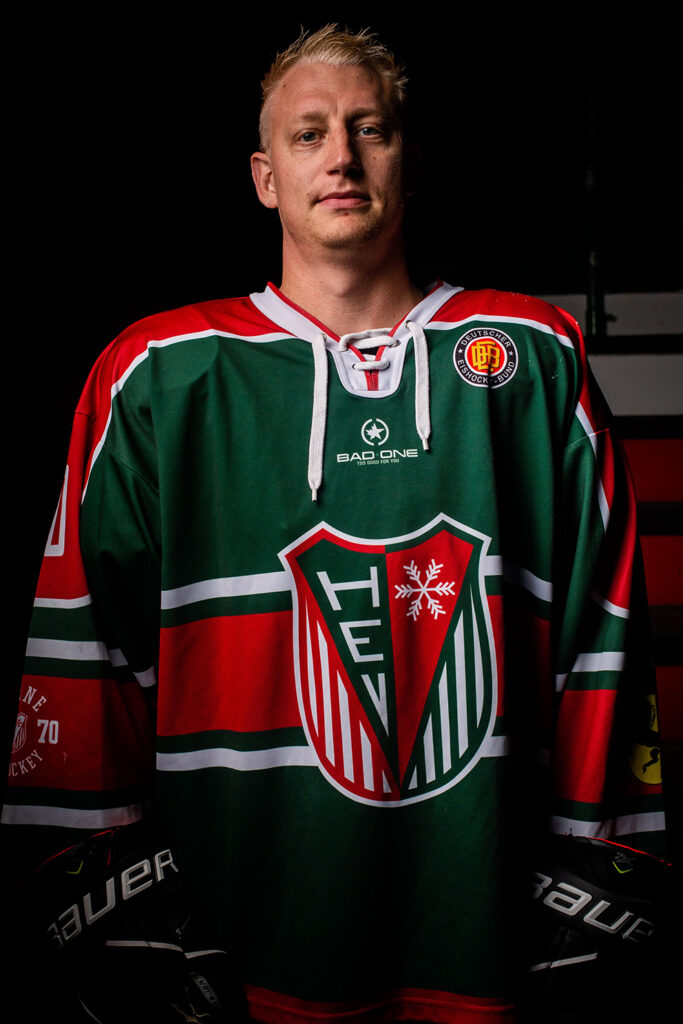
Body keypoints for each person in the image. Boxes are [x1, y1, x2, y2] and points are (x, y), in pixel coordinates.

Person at [3, 24, 668, 1024]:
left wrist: (598, 860)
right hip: (237, 948)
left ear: (408, 159)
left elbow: (601, 634)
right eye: (309, 134)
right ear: (265, 178)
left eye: (370, 129)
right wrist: (99, 879)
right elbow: (83, 649)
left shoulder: (532, 357)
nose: (342, 157)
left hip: (487, 940)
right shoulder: (156, 373)